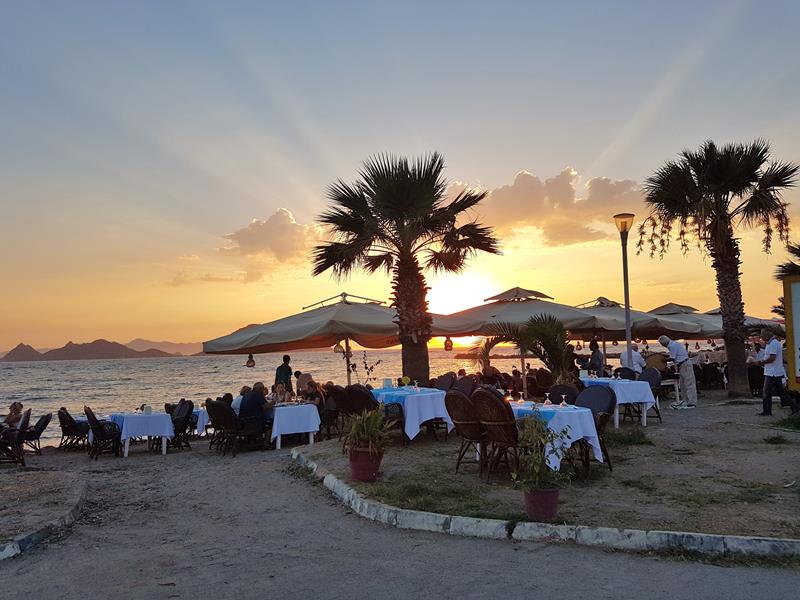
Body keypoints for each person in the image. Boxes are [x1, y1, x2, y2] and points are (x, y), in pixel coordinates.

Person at [756, 329, 796, 416]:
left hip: (773, 372)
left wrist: (761, 362)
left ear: (766, 336)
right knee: (780, 392)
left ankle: (767, 411)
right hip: (772, 371)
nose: (761, 339)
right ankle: (793, 405)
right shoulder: (771, 344)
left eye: (762, 337)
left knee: (767, 392)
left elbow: (772, 358)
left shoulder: (773, 344)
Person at [658, 335, 697, 409]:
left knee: (688, 383)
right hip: (683, 364)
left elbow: (672, 358)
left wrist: (663, 360)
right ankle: (686, 400)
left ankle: (691, 402)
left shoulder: (672, 346)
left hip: (684, 364)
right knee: (683, 384)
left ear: (663, 344)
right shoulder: (674, 344)